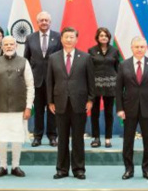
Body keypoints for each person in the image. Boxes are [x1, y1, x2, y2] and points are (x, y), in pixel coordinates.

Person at [47, 27, 95, 180]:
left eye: (72, 37)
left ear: (76, 39)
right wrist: (50, 101)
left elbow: (91, 81)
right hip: (60, 103)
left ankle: (79, 169)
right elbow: (50, 81)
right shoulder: (53, 58)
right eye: (66, 37)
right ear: (61, 39)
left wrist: (90, 99)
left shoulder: (86, 57)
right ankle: (61, 169)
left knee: (78, 138)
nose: (69, 39)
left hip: (79, 103)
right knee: (62, 138)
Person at [0, 36, 34, 178]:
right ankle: (2, 166)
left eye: (11, 44)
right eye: (5, 44)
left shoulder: (24, 62)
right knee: (1, 138)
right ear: (2, 47)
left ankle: (15, 166)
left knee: (17, 138)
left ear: (16, 46)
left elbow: (30, 86)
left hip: (19, 108)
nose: (8, 47)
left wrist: (28, 107)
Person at [116, 37, 148, 180]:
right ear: (132, 48)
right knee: (128, 141)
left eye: (142, 47)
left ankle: (147, 169)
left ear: (145, 48)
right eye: (137, 47)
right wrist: (120, 109)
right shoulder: (124, 65)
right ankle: (129, 169)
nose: (139, 49)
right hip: (129, 108)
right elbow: (118, 90)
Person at [23, 11, 62, 147]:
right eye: (41, 20)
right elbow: (26, 59)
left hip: (55, 80)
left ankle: (52, 136)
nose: (44, 22)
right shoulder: (30, 38)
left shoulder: (58, 37)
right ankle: (37, 136)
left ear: (50, 22)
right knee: (38, 110)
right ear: (37, 22)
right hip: (36, 80)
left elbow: (62, 57)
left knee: (53, 110)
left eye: (46, 20)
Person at [88, 27, 119, 148]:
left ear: (109, 37)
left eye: (105, 36)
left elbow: (118, 68)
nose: (103, 38)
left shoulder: (114, 51)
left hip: (110, 86)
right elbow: (89, 69)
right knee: (95, 113)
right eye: (101, 35)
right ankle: (96, 138)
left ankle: (108, 138)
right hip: (95, 86)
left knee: (109, 113)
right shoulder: (91, 50)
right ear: (97, 38)